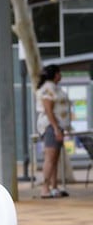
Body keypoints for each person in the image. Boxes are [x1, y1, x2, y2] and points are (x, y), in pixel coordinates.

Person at [35, 64, 71, 199]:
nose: (60, 75)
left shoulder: (54, 88)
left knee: (55, 158)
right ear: (55, 74)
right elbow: (48, 110)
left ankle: (54, 186)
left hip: (57, 126)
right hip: (51, 126)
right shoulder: (48, 89)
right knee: (50, 158)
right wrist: (56, 128)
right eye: (59, 73)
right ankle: (45, 188)